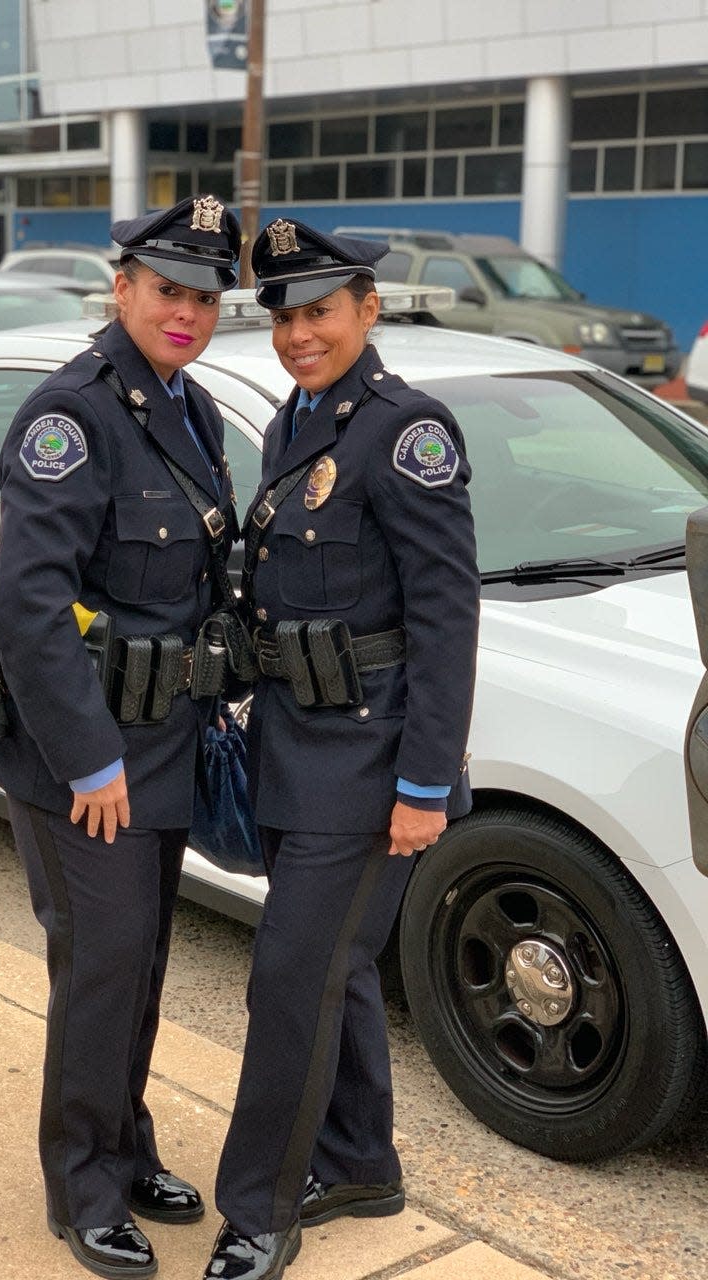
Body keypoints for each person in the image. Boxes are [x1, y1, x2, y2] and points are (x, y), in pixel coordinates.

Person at [0, 195, 241, 1280]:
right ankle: (82, 1189)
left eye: (205, 296)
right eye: (168, 289)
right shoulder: (70, 414)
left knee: (143, 961)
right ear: (122, 287)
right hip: (82, 757)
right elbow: (27, 604)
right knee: (101, 963)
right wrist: (92, 759)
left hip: (160, 741)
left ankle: (126, 1144)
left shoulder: (192, 410)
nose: (187, 312)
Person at [201, 221, 480, 1280]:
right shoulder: (297, 421)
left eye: (318, 310)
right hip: (292, 747)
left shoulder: (406, 431)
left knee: (289, 978)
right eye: (282, 313)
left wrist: (421, 784)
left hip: (368, 769)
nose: (297, 332)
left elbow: (447, 617)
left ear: (368, 309)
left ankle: (261, 1207)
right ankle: (360, 1157)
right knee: (335, 969)